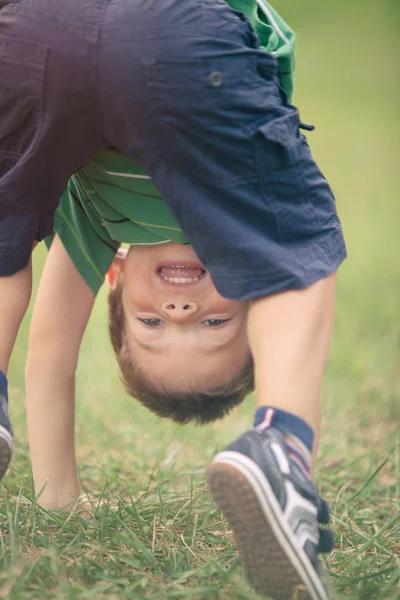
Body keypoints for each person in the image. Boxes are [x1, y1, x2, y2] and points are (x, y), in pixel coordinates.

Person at [0, 0, 346, 598]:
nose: (181, 313)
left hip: (38, 30)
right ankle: (284, 448)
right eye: (215, 321)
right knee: (297, 244)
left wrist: (59, 496)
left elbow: (50, 356)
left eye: (151, 323)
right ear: (251, 293)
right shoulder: (250, 222)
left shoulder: (98, 226)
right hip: (172, 39)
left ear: (115, 276)